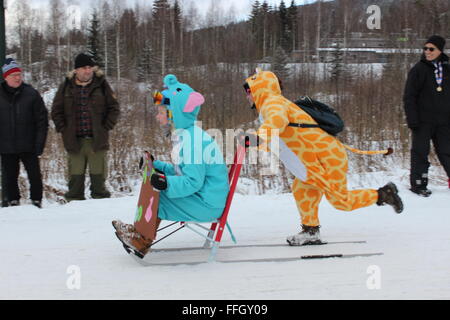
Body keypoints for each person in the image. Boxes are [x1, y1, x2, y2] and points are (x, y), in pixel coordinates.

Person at [242, 69, 404, 246]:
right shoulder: (273, 105)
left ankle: (384, 194)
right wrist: (255, 142)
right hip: (313, 161)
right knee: (302, 190)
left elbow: (277, 122)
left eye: (249, 91)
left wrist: (258, 137)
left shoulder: (273, 103)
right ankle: (311, 231)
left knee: (341, 201)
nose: (247, 96)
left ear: (260, 88)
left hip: (326, 157)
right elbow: (283, 136)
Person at [113, 74, 230, 256]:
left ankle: (141, 240)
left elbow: (192, 182)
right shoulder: (187, 135)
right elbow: (181, 171)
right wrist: (157, 166)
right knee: (154, 191)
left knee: (157, 197)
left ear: (174, 113)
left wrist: (165, 183)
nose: (157, 115)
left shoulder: (192, 141)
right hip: (203, 197)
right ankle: (138, 234)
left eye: (161, 111)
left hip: (207, 203)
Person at [51, 53, 120, 202]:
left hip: (97, 142)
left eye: (90, 67)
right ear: (76, 70)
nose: (88, 71)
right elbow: (56, 110)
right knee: (75, 185)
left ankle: (100, 214)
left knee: (99, 183)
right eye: (84, 68)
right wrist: (63, 129)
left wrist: (106, 127)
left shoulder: (101, 84)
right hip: (75, 142)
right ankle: (76, 215)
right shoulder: (66, 86)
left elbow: (114, 107)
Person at [403, 35, 450, 197]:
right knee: (420, 152)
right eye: (425, 49)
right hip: (422, 121)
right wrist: (412, 119)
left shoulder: (447, 68)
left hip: (444, 121)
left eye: (431, 49)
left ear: (440, 50)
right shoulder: (418, 70)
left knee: (446, 151)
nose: (427, 52)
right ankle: (419, 185)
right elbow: (409, 96)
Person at [0, 58, 48, 208]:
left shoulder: (31, 94)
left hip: (29, 145)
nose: (17, 77)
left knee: (34, 176)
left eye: (19, 74)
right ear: (5, 77)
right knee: (9, 177)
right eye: (13, 75)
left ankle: (36, 202)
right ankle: (13, 202)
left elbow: (42, 121)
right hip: (6, 146)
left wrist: (39, 144)